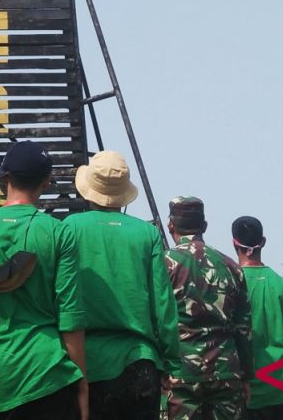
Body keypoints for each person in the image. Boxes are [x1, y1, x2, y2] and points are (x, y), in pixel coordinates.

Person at [0, 140, 88, 419]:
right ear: (46, 182)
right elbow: (70, 316)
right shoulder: (58, 232)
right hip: (49, 376)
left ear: (5, 179)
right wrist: (81, 384)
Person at [63, 151, 180, 420]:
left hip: (86, 363)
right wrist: (172, 362)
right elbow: (163, 302)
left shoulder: (70, 227)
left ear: (88, 189)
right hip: (140, 362)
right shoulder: (146, 233)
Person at [163, 196, 252, 420]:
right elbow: (244, 329)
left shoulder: (163, 264)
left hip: (182, 374)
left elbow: (156, 320)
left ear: (170, 224)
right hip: (226, 371)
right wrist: (246, 376)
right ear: (204, 226)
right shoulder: (231, 266)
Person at [231, 217, 283, 420]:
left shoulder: (230, 283)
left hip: (248, 395)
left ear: (234, 242)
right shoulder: (280, 284)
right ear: (263, 242)